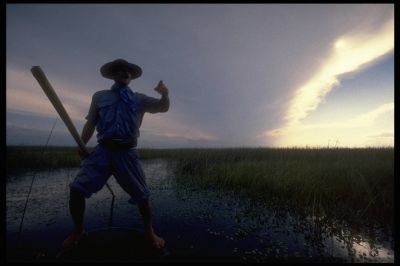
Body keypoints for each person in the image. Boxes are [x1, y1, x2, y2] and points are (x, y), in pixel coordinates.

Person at [62, 59, 169, 250]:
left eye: (128, 71)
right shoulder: (99, 96)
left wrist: (165, 94)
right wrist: (82, 144)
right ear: (113, 75)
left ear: (131, 76)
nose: (125, 72)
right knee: (76, 189)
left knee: (143, 197)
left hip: (127, 153)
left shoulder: (139, 99)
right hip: (103, 150)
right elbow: (91, 123)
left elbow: (163, 107)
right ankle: (78, 230)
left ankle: (149, 232)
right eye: (120, 70)